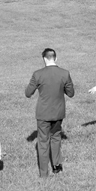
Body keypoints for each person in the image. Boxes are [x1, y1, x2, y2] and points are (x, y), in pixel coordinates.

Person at [25, 48, 75, 178]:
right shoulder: (64, 73)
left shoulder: (38, 74)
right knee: (56, 137)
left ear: (44, 59)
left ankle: (43, 173)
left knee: (42, 142)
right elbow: (71, 93)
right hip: (58, 112)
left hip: (43, 113)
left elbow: (28, 93)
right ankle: (57, 166)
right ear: (55, 58)